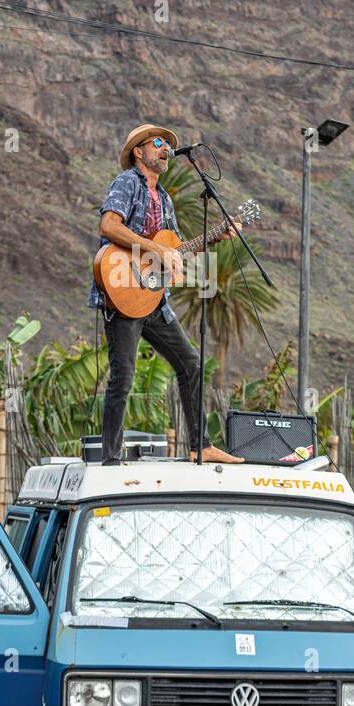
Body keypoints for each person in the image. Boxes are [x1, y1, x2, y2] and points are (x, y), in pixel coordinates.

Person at [87, 123, 244, 466]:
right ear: (138, 152)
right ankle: (111, 459)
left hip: (154, 299)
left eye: (167, 145)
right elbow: (109, 226)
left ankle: (200, 445)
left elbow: (175, 249)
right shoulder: (128, 182)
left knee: (191, 363)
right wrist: (152, 250)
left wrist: (216, 236)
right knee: (123, 378)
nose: (164, 148)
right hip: (123, 293)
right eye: (157, 143)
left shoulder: (167, 199)